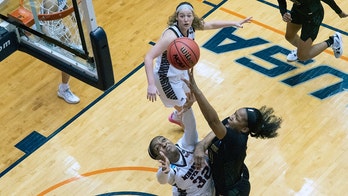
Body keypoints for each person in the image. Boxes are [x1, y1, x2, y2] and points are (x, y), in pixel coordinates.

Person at [144, 1, 252, 127]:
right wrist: (151, 84)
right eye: (182, 16)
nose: (186, 19)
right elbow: (148, 57)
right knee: (186, 110)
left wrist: (234, 23)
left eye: (189, 16)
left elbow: (211, 24)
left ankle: (177, 116)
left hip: (181, 70)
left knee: (192, 98)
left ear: (193, 16)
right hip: (166, 77)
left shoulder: (191, 27)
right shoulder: (170, 36)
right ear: (176, 17)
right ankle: (186, 133)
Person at [184, 69, 282, 196]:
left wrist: (196, 90)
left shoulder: (237, 141)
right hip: (220, 181)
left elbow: (213, 121)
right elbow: (212, 133)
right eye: (235, 113)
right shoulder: (230, 124)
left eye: (237, 118)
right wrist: (201, 146)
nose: (231, 117)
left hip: (231, 192)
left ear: (244, 129)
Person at [148, 93, 215, 195]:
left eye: (164, 140)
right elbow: (162, 180)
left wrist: (187, 109)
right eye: (158, 148)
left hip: (215, 185)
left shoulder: (185, 144)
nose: (164, 144)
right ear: (159, 158)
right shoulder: (170, 170)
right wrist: (164, 170)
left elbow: (190, 127)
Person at [277, 0, 348, 62]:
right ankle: (301, 49)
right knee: (289, 36)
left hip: (313, 16)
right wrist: (283, 13)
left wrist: (339, 12)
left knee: (302, 56)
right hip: (298, 10)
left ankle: (333, 40)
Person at [41, 0, 80, 104]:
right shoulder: (51, 3)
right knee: (66, 60)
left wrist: (73, 17)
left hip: (58, 27)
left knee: (69, 47)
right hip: (49, 31)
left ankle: (64, 88)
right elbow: (44, 24)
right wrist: (53, 43)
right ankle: (63, 89)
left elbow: (63, 5)